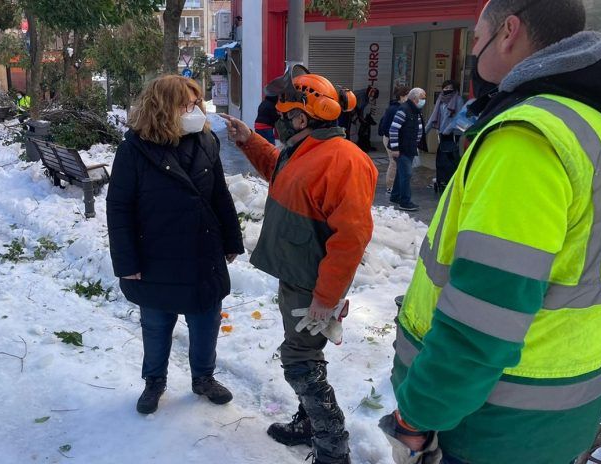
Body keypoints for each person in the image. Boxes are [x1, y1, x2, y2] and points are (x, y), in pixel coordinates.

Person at [380, 1, 601, 463]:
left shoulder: (530, 136)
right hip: (555, 419)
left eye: (476, 39)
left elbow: (484, 314)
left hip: (488, 425)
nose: (472, 54)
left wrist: (419, 414)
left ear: (509, 32)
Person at [220, 66, 377, 464]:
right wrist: (249, 141)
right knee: (306, 353)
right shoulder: (307, 148)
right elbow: (282, 172)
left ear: (302, 118)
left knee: (299, 360)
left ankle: (332, 447)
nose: (276, 119)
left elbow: (351, 239)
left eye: (282, 113)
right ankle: (309, 424)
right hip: (297, 276)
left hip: (313, 286)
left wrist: (325, 300)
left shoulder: (345, 161)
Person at [106, 75, 244, 415]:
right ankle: (154, 382)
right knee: (155, 326)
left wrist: (231, 238)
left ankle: (203, 378)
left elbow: (219, 194)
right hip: (155, 257)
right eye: (186, 104)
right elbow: (119, 209)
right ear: (164, 109)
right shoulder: (133, 150)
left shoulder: (205, 141)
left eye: (196, 103)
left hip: (202, 254)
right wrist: (127, 263)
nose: (194, 110)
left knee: (206, 322)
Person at [388, 88, 428, 212]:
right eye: (422, 97)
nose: (424, 100)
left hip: (410, 147)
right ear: (414, 99)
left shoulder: (416, 110)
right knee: (406, 174)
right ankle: (405, 202)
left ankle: (395, 196)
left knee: (401, 172)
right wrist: (395, 148)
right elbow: (393, 130)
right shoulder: (404, 110)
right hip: (402, 148)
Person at [427, 80, 464, 193]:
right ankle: (441, 179)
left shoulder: (458, 100)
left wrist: (447, 130)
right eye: (445, 87)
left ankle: (450, 181)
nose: (447, 89)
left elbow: (459, 118)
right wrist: (425, 131)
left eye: (449, 87)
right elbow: (434, 116)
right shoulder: (441, 100)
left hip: (452, 134)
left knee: (450, 159)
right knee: (441, 158)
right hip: (441, 133)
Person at [379, 85, 410, 194]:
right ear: (402, 96)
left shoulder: (397, 107)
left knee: (396, 163)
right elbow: (386, 127)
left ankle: (394, 186)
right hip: (390, 139)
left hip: (392, 138)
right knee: (394, 163)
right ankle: (390, 186)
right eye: (407, 95)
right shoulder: (395, 109)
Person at [354, 85, 379, 152]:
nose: (372, 99)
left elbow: (361, 109)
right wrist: (360, 119)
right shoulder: (362, 96)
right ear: (371, 93)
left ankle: (364, 145)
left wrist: (361, 119)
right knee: (346, 128)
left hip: (353, 109)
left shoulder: (366, 94)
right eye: (372, 97)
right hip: (346, 110)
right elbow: (359, 109)